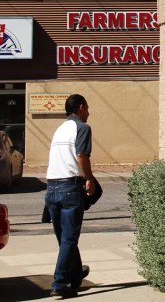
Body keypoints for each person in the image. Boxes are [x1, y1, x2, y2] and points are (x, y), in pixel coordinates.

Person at [44, 94, 95, 298]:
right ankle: (60, 283)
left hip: (51, 189)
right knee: (69, 239)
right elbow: (82, 155)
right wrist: (89, 178)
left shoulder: (60, 129)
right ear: (80, 107)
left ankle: (75, 273)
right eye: (87, 107)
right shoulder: (82, 128)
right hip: (70, 188)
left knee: (64, 238)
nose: (88, 112)